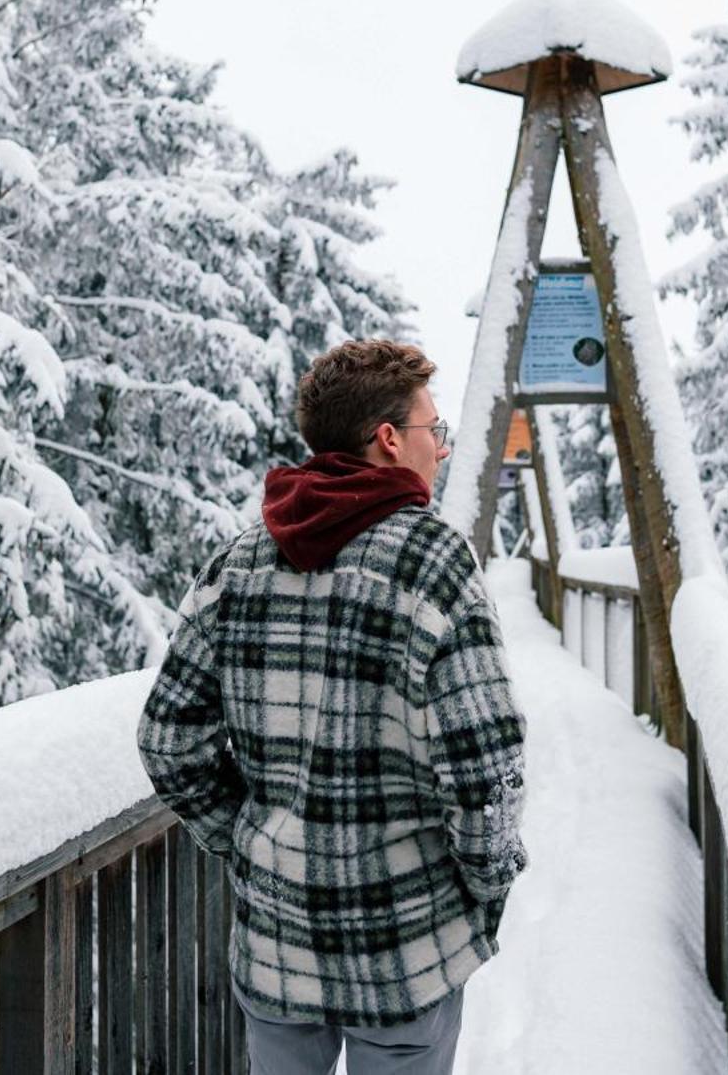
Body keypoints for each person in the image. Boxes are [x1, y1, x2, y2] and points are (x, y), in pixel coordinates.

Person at [137, 338, 528, 1075]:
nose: (440, 450)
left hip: (279, 946)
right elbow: (486, 769)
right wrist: (481, 890)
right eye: (432, 432)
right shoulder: (435, 562)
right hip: (406, 945)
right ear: (388, 440)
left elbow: (168, 740)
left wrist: (253, 839)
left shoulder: (241, 561)